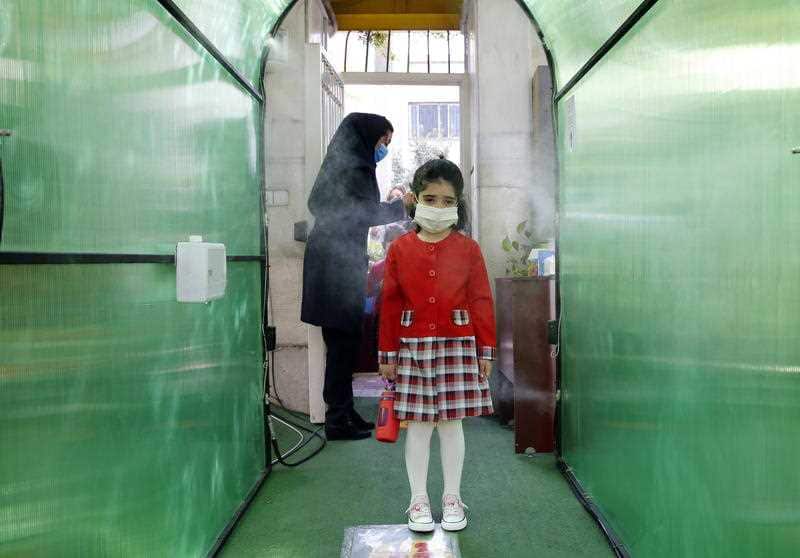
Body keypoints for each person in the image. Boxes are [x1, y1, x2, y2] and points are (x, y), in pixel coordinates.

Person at [378, 158, 496, 533]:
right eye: (431, 198)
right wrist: (387, 354)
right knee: (418, 427)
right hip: (412, 347)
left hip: (459, 344)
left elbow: (481, 299)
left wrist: (486, 349)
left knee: (451, 426)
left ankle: (452, 497)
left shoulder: (469, 249)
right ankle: (418, 499)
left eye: (448, 201)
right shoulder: (399, 249)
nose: (440, 207)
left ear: (458, 203)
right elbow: (391, 304)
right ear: (415, 199)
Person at [301, 113, 414, 441]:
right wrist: (399, 206)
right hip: (333, 264)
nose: (383, 149)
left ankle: (343, 410)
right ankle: (337, 419)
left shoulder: (344, 163)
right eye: (383, 141)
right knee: (340, 343)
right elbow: (360, 213)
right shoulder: (353, 168)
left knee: (344, 342)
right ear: (368, 136)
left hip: (335, 260)